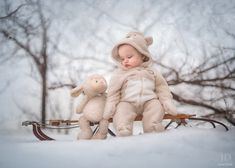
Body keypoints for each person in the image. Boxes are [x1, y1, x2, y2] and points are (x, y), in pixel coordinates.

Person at [103, 32, 177, 136]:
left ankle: (153, 126)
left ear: (142, 55)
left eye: (129, 56)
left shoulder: (152, 72)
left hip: (149, 100)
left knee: (156, 106)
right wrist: (110, 105)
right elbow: (113, 91)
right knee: (121, 111)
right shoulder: (120, 74)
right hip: (127, 102)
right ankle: (123, 128)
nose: (125, 61)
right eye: (122, 58)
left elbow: (162, 87)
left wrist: (166, 101)